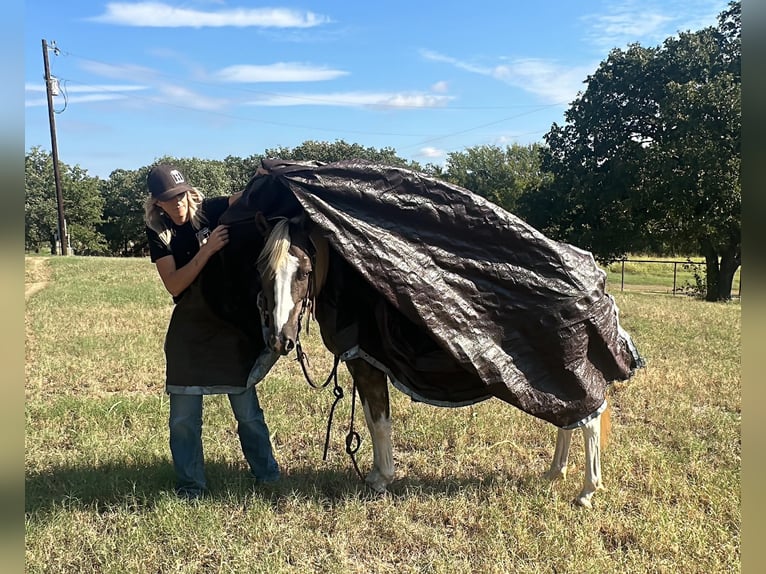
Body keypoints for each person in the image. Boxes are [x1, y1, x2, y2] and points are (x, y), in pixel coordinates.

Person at [144, 163, 279, 499]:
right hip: (190, 329)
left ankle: (268, 477)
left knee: (248, 413)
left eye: (180, 196)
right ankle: (191, 486)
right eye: (168, 200)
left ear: (188, 191)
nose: (177, 204)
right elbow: (174, 285)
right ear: (157, 203)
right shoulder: (159, 232)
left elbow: (246, 197)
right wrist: (207, 250)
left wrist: (266, 175)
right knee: (183, 421)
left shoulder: (212, 210)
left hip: (231, 328)